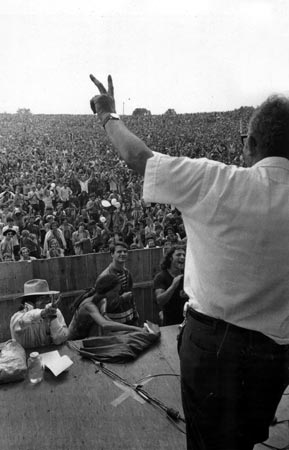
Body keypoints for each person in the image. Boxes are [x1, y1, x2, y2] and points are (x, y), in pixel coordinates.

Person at [89, 75, 289, 450]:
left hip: (212, 348)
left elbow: (138, 159)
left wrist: (108, 115)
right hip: (274, 357)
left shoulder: (219, 180)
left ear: (253, 144)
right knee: (243, 441)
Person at [68, 273, 143, 340]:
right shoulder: (88, 305)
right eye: (115, 291)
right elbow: (104, 324)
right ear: (106, 290)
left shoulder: (103, 300)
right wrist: (134, 329)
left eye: (118, 291)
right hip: (74, 340)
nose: (117, 295)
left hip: (87, 337)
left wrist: (129, 331)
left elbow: (106, 319)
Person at [10, 279, 68, 348]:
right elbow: (26, 319)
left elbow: (59, 340)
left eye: (48, 297)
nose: (47, 301)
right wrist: (43, 313)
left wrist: (53, 317)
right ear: (29, 302)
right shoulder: (17, 318)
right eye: (42, 298)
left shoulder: (54, 312)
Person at [98, 241, 139, 326]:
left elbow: (131, 297)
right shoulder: (105, 276)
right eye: (119, 252)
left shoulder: (127, 273)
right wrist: (122, 299)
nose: (123, 254)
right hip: (114, 325)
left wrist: (135, 315)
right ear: (112, 254)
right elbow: (101, 304)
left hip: (130, 321)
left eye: (125, 251)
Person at [153, 245, 188, 326]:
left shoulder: (187, 275)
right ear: (170, 258)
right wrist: (173, 286)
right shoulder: (161, 277)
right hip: (170, 323)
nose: (182, 257)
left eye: (184, 255)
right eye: (178, 255)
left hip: (187, 322)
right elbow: (160, 301)